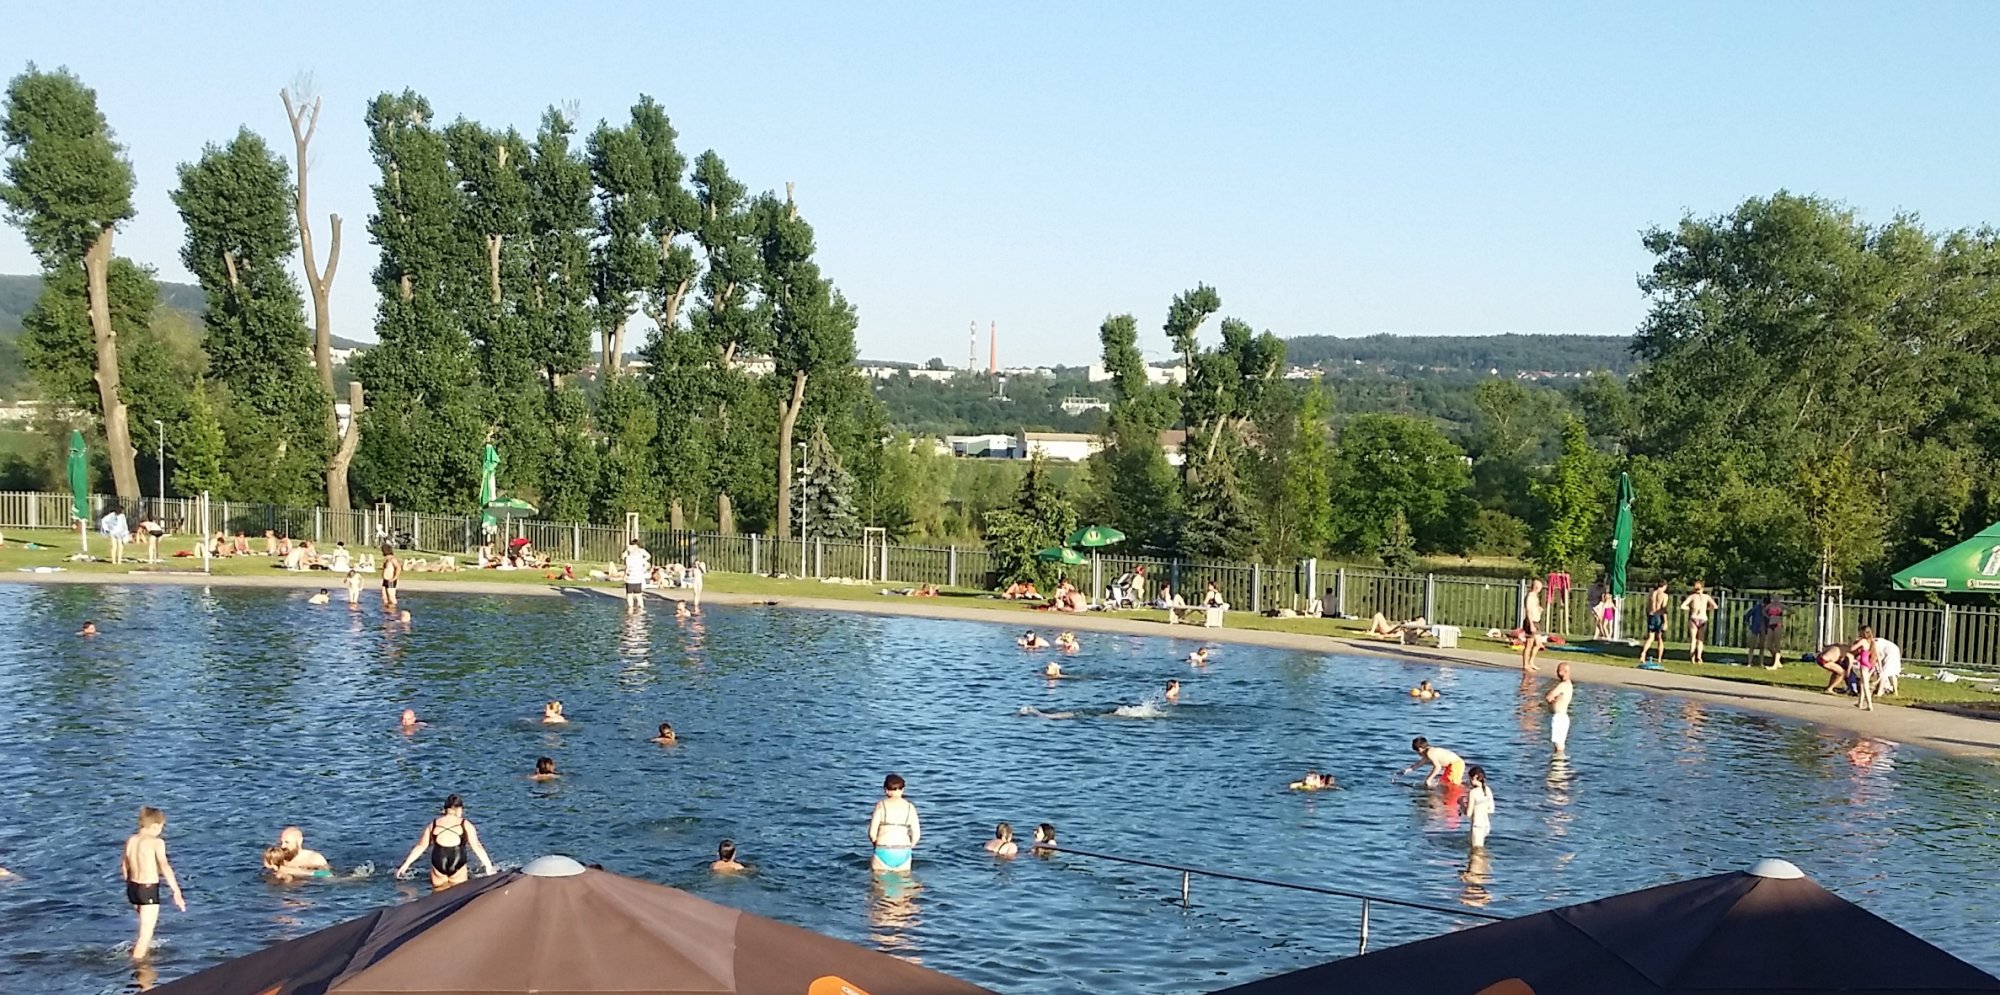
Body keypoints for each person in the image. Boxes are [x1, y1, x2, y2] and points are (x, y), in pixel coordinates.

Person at [121, 807, 185, 960]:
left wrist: (129, 885)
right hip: (148, 888)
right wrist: (176, 892)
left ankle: (141, 955)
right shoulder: (156, 842)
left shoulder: (132, 840)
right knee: (145, 934)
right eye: (162, 827)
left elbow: (124, 865)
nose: (161, 831)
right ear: (155, 825)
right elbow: (164, 866)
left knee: (144, 930)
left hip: (133, 888)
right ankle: (141, 972)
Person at [395, 794, 495, 891]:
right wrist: (488, 866)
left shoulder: (433, 824)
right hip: (457, 859)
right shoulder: (465, 824)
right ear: (459, 809)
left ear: (445, 809)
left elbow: (421, 846)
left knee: (438, 893)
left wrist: (405, 865)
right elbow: (476, 846)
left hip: (438, 860)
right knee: (458, 893)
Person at [867, 773, 921, 873]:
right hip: (903, 851)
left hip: (883, 850)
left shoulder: (881, 806)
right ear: (903, 789)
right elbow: (916, 836)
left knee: (878, 886)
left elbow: (872, 833)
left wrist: (876, 844)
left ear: (886, 790)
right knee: (903, 885)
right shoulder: (910, 807)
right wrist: (909, 848)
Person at [265, 826, 331, 880]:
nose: (283, 846)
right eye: (282, 842)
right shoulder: (279, 856)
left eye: (287, 842)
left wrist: (295, 871)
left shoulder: (314, 858)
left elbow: (327, 874)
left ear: (299, 841)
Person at [1400, 736, 1467, 788]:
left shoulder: (1430, 753)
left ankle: (1462, 792)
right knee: (1444, 782)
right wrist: (1407, 770)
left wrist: (1429, 779)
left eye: (1417, 752)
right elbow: (1419, 764)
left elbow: (1438, 768)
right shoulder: (1427, 752)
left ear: (1420, 749)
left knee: (1452, 784)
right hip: (1450, 766)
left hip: (1456, 764)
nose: (1418, 754)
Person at [1681, 581, 1718, 664]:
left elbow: (1683, 606)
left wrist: (1690, 609)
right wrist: (1707, 609)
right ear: (1703, 588)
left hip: (1694, 618)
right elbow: (1715, 606)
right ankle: (1699, 657)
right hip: (1703, 618)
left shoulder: (1692, 597)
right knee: (1700, 640)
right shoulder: (1706, 597)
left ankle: (1692, 657)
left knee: (1693, 639)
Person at [1460, 766, 1495, 849]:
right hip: (1486, 825)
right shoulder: (1488, 790)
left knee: (1476, 852)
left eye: (1470, 779)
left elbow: (1468, 813)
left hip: (1477, 826)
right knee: (1480, 849)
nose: (1470, 782)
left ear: (1475, 777)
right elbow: (1491, 810)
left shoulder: (1473, 792)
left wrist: (1461, 803)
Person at [1546, 662, 1574, 755]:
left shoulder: (1563, 685)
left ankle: (1557, 766)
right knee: (1560, 745)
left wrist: (1552, 703)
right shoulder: (1569, 685)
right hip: (1563, 717)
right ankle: (1559, 765)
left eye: (1559, 671)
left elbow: (1549, 696)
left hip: (1559, 717)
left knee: (1558, 746)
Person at [1639, 581, 1671, 666]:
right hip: (1659, 616)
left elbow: (1647, 607)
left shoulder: (1652, 594)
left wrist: (1648, 615)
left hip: (1651, 615)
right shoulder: (1664, 595)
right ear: (1664, 586)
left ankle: (1643, 653)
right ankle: (1659, 658)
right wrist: (1666, 622)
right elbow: (1663, 609)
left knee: (1650, 637)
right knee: (1660, 638)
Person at [1849, 626, 1880, 711]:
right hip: (1869, 663)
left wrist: (1856, 642)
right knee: (1862, 683)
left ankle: (1870, 705)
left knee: (1865, 685)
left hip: (1864, 664)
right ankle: (1860, 702)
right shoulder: (1871, 641)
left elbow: (1852, 649)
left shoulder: (1863, 641)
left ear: (1863, 632)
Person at [1520, 577, 1545, 673]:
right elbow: (1528, 610)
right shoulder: (1530, 596)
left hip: (1536, 622)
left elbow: (1534, 608)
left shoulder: (1535, 596)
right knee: (1529, 644)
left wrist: (1539, 609)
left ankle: (1531, 662)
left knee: (1538, 644)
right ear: (1536, 587)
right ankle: (1525, 665)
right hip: (1531, 622)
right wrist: (1531, 624)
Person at [622, 539, 651, 613]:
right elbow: (647, 565)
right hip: (635, 578)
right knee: (637, 595)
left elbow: (627, 568)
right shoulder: (639, 557)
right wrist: (642, 570)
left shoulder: (630, 558)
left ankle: (631, 609)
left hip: (632, 578)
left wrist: (625, 576)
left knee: (631, 595)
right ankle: (640, 609)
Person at [1758, 594, 1787, 670]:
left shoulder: (1780, 606)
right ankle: (1778, 660)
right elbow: (1763, 612)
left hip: (1778, 625)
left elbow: (1791, 611)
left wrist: (1782, 616)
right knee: (1769, 645)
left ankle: (1775, 664)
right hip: (1770, 625)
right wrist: (1768, 617)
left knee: (1777, 645)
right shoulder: (1769, 606)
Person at [380, 544, 402, 609]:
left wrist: (394, 578)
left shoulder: (392, 559)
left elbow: (398, 568)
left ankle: (393, 612)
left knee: (391, 597)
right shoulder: (386, 559)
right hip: (385, 580)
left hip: (391, 580)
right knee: (384, 598)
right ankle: (386, 611)